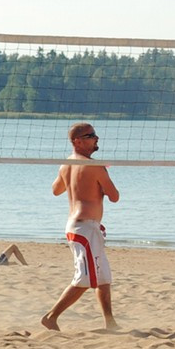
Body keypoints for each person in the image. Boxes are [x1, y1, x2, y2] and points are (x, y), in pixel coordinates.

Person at [41, 123, 120, 331]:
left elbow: (56, 190)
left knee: (103, 278)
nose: (96, 138)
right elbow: (114, 196)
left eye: (95, 135)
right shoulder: (95, 166)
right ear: (77, 141)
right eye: (91, 135)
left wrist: (77, 182)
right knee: (84, 279)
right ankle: (51, 317)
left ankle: (110, 322)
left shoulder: (66, 164)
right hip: (84, 229)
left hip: (82, 226)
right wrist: (100, 179)